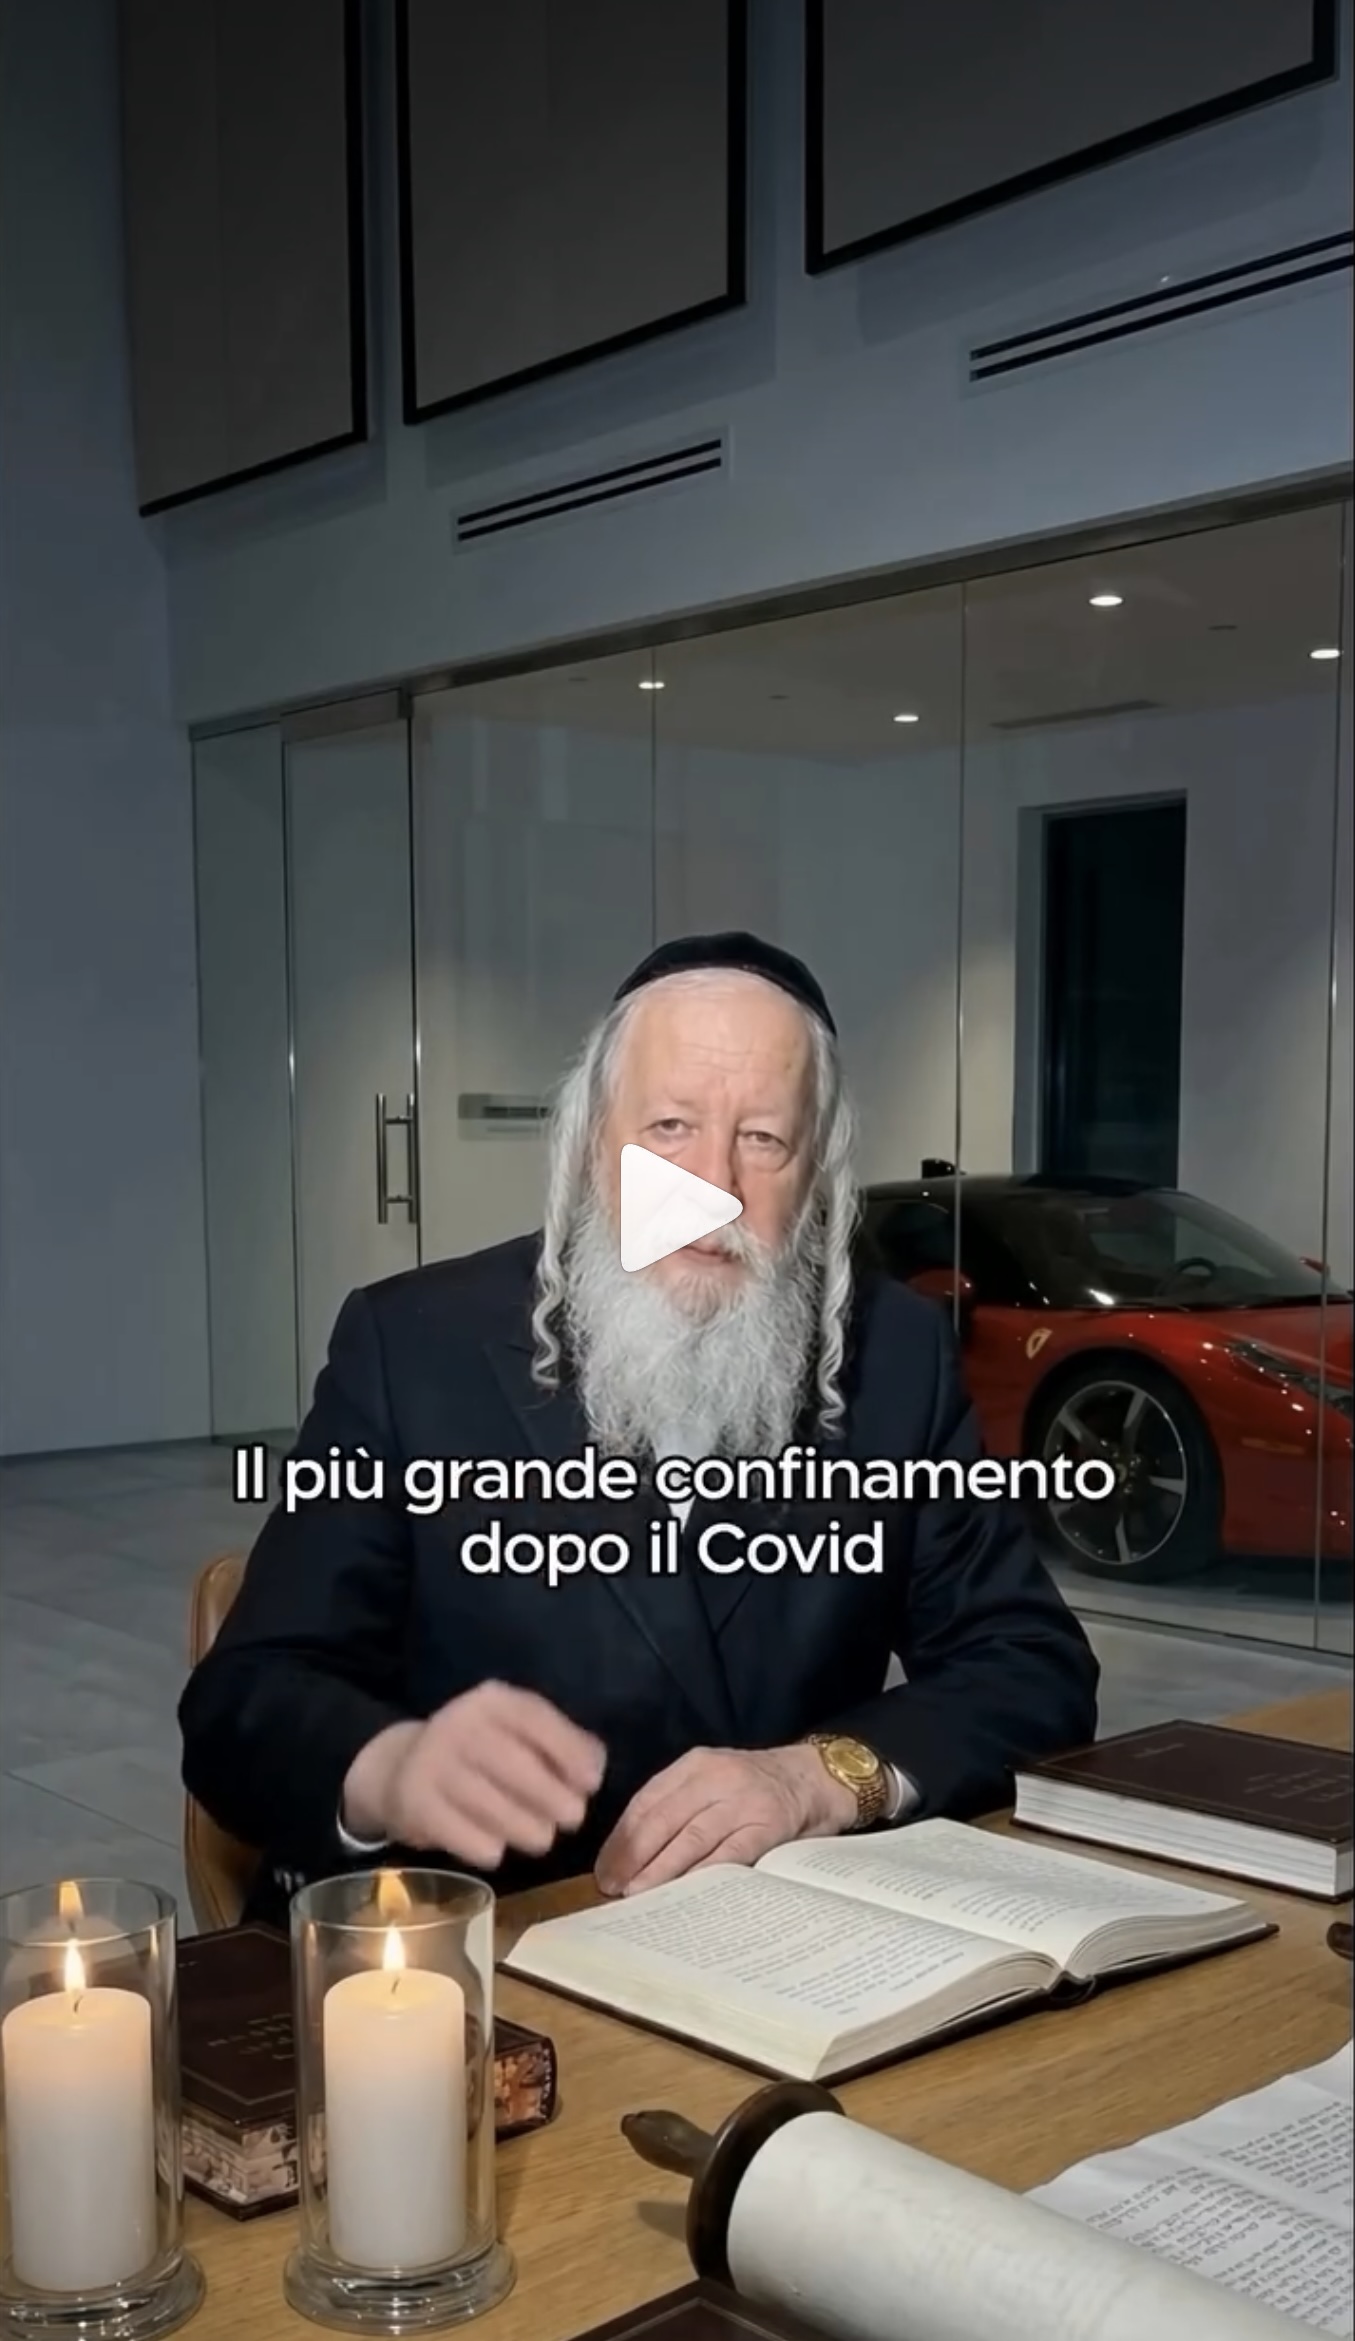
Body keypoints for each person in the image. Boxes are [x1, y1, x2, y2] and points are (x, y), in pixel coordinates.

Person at [180, 932, 1099, 1925]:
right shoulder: (412, 1345)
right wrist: (387, 1766)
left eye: (763, 1140)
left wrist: (820, 1776)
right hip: (475, 1944)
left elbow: (1030, 1665)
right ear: (590, 1146)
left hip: (770, 1940)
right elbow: (246, 1700)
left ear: (818, 1176)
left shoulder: (893, 1355)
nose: (711, 1188)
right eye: (669, 1127)